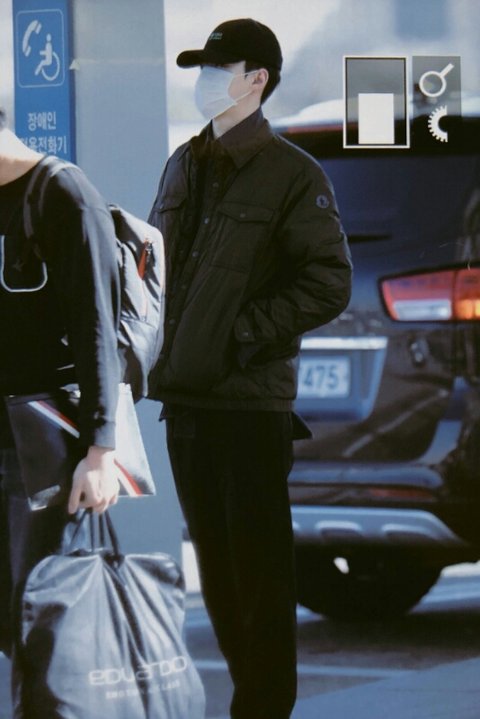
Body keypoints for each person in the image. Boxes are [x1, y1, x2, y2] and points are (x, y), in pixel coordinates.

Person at [148, 18, 352, 719]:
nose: (205, 80)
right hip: (186, 402)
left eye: (219, 68)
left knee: (259, 581)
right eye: (202, 68)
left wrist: (241, 334)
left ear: (256, 79)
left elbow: (328, 282)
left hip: (249, 404)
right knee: (219, 582)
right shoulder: (183, 162)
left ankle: (263, 709)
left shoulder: (293, 174)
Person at [0, 108, 121, 717]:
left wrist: (101, 450)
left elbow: (98, 327)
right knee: (10, 620)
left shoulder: (64, 194)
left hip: (46, 442)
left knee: (40, 620)